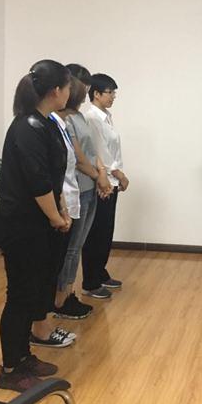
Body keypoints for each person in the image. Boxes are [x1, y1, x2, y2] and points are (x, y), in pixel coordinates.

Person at [0, 59, 71, 392]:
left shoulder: (47, 123)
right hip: (21, 225)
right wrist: (55, 217)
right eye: (67, 87)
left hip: (39, 225)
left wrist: (61, 209)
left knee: (35, 292)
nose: (69, 93)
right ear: (56, 90)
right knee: (20, 295)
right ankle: (10, 368)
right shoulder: (27, 126)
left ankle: (24, 356)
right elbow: (37, 181)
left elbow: (54, 176)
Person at [54, 69, 112, 319]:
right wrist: (99, 176)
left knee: (77, 247)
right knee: (70, 249)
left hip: (89, 186)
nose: (85, 90)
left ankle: (68, 294)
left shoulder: (79, 116)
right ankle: (60, 299)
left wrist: (100, 173)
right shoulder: (63, 118)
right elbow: (77, 158)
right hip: (77, 188)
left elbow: (92, 151)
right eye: (82, 85)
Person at [82, 73, 128, 299]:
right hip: (102, 181)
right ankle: (91, 281)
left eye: (114, 92)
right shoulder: (91, 117)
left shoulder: (105, 116)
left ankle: (100, 272)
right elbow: (100, 151)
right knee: (96, 233)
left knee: (106, 230)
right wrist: (119, 174)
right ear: (96, 94)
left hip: (112, 180)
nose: (113, 96)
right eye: (110, 92)